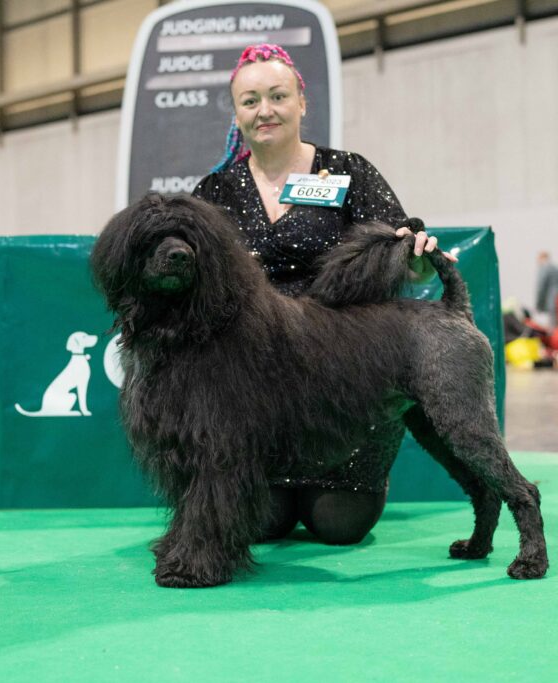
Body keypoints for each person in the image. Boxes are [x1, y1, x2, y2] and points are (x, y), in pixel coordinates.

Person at [191, 44, 452, 546]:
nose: (265, 110)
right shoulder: (215, 192)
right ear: (236, 114)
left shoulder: (349, 172)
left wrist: (418, 258)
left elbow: (398, 248)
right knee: (261, 524)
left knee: (338, 525)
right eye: (250, 101)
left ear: (301, 103)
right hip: (258, 394)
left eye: (277, 96)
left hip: (346, 381)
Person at [535, 251, 558, 329]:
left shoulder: (544, 268)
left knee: (552, 328)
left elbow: (540, 288)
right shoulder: (557, 268)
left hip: (552, 303)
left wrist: (539, 306)